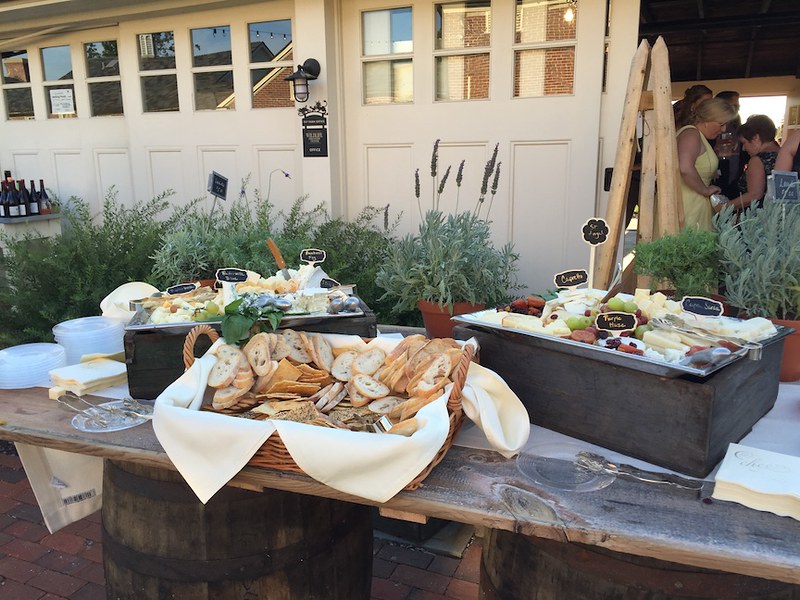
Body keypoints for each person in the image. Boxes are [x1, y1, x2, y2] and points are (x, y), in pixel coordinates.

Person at [676, 97, 738, 230]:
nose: (724, 129)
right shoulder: (691, 134)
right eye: (721, 124)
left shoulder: (695, 135)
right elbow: (685, 167)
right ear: (706, 120)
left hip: (694, 204)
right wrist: (705, 190)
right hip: (689, 205)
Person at [717, 115, 780, 212]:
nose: (744, 148)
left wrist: (724, 207)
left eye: (744, 142)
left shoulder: (757, 160)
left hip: (759, 215)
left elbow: (754, 194)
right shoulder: (783, 155)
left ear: (756, 138)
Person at [712, 91, 746, 198]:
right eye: (734, 105)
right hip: (718, 169)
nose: (737, 108)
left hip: (735, 167)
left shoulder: (736, 122)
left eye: (738, 106)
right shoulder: (712, 123)